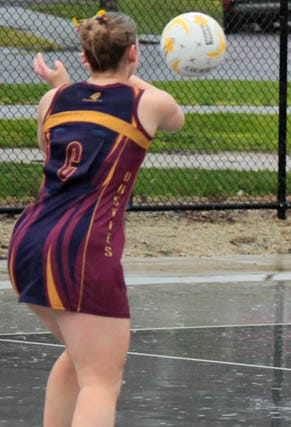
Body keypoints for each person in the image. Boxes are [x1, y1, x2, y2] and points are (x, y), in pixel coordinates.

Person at [7, 11, 184, 426]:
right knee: (101, 380)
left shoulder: (52, 100)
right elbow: (177, 119)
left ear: (84, 56)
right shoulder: (148, 102)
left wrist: (65, 84)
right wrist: (126, 72)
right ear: (133, 53)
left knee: (81, 357)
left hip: (28, 241)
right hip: (83, 248)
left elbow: (56, 142)